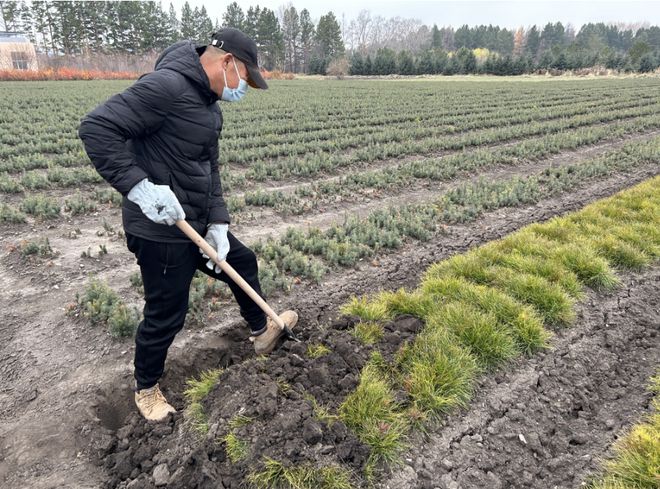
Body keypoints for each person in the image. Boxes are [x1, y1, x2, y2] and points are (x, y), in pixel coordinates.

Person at [78, 28, 298, 422]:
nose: (242, 88)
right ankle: (146, 390)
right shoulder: (166, 87)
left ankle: (263, 331)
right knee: (167, 313)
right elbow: (96, 127)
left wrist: (218, 221)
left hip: (195, 220)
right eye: (245, 78)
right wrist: (140, 187)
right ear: (227, 62)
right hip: (158, 228)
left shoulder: (210, 106)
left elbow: (208, 169)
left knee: (241, 261)